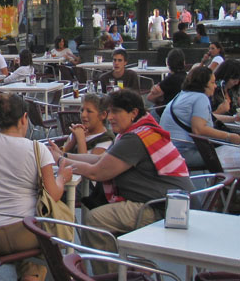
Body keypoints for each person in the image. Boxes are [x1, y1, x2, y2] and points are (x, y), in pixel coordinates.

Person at [60, 89, 193, 271]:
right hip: (168, 202)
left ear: (133, 113)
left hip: (162, 208)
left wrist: (61, 161)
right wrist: (65, 156)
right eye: (110, 111)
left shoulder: (135, 139)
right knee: (99, 217)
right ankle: (128, 270)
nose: (110, 117)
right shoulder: (138, 131)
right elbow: (102, 159)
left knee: (95, 220)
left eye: (116, 112)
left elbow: (96, 173)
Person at [0, 93, 72, 281]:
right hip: (23, 234)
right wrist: (62, 177)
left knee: (33, 226)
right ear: (24, 118)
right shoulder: (37, 149)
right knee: (50, 227)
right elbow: (54, 193)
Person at [159, 65, 240, 168]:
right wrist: (230, 137)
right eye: (212, 82)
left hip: (169, 151)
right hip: (183, 153)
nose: (215, 86)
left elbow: (207, 117)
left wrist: (233, 119)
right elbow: (199, 129)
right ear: (203, 84)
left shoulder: (184, 95)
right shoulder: (200, 98)